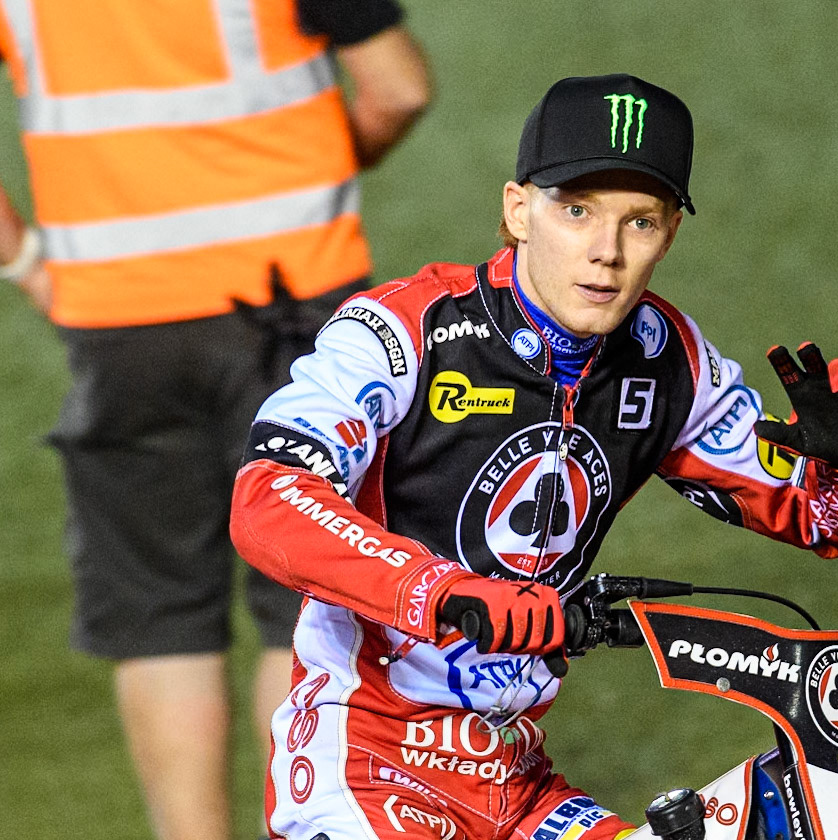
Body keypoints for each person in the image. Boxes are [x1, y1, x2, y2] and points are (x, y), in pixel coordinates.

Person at [230, 73, 838, 840]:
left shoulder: (670, 362)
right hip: (366, 759)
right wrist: (444, 593)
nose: (606, 252)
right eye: (576, 210)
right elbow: (269, 498)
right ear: (518, 210)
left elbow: (828, 523)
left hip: (516, 783)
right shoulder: (401, 332)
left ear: (669, 235)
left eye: (639, 222)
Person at [0, 3, 432, 839]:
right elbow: (397, 87)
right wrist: (316, 167)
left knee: (160, 620)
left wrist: (23, 262)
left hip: (120, 320)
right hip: (297, 307)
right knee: (308, 603)